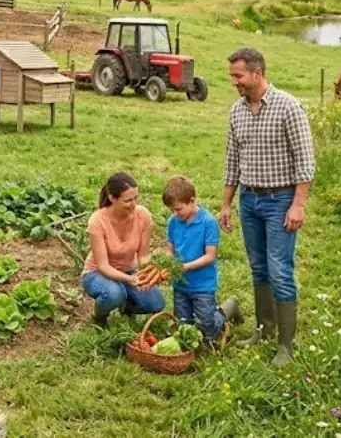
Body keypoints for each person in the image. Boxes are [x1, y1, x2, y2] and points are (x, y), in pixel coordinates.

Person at [219, 47, 315, 367]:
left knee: (279, 269)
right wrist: (226, 204)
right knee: (258, 266)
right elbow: (232, 162)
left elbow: (305, 162)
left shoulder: (288, 107)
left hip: (280, 201)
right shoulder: (237, 111)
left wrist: (298, 204)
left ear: (257, 73)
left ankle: (285, 345)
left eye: (238, 75)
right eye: (232, 76)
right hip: (249, 200)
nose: (234, 81)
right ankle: (264, 329)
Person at [162, 175, 243, 346]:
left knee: (207, 329)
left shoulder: (208, 223)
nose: (175, 213)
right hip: (180, 284)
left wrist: (185, 267)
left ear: (192, 201)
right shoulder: (173, 222)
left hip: (202, 285)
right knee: (183, 326)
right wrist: (169, 264)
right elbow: (170, 250)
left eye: (178, 209)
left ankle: (228, 308)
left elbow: (210, 256)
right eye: (171, 210)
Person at [81, 172, 166, 326]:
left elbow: (144, 255)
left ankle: (127, 307)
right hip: (97, 273)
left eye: (135, 198)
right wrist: (129, 280)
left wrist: (148, 273)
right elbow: (103, 266)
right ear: (112, 198)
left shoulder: (143, 216)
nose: (133, 204)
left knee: (156, 303)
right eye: (128, 200)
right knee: (114, 293)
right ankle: (99, 317)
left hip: (128, 270)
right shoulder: (97, 221)